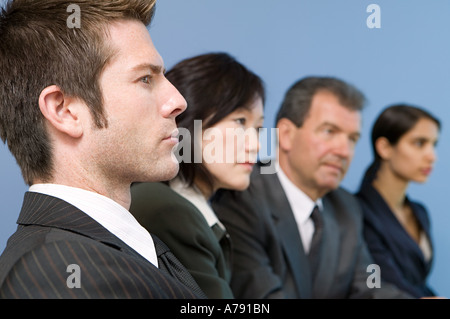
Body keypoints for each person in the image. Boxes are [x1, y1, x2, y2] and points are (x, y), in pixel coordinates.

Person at [0, 0, 205, 299]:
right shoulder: (54, 275)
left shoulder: (106, 249)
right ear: (65, 111)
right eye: (145, 78)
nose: (177, 100)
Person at [211, 76, 413, 298]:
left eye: (352, 139)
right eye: (329, 132)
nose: (344, 151)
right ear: (286, 134)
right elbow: (262, 297)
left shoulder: (347, 205)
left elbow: (370, 282)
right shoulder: (242, 194)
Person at [130, 52, 265, 299]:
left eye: (258, 128)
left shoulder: (198, 207)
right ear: (189, 121)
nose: (255, 144)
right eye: (240, 121)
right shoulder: (165, 209)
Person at [355, 104, 441, 298]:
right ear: (384, 148)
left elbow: (417, 282)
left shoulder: (419, 212)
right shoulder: (355, 211)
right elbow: (375, 281)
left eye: (434, 144)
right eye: (419, 143)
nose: (432, 156)